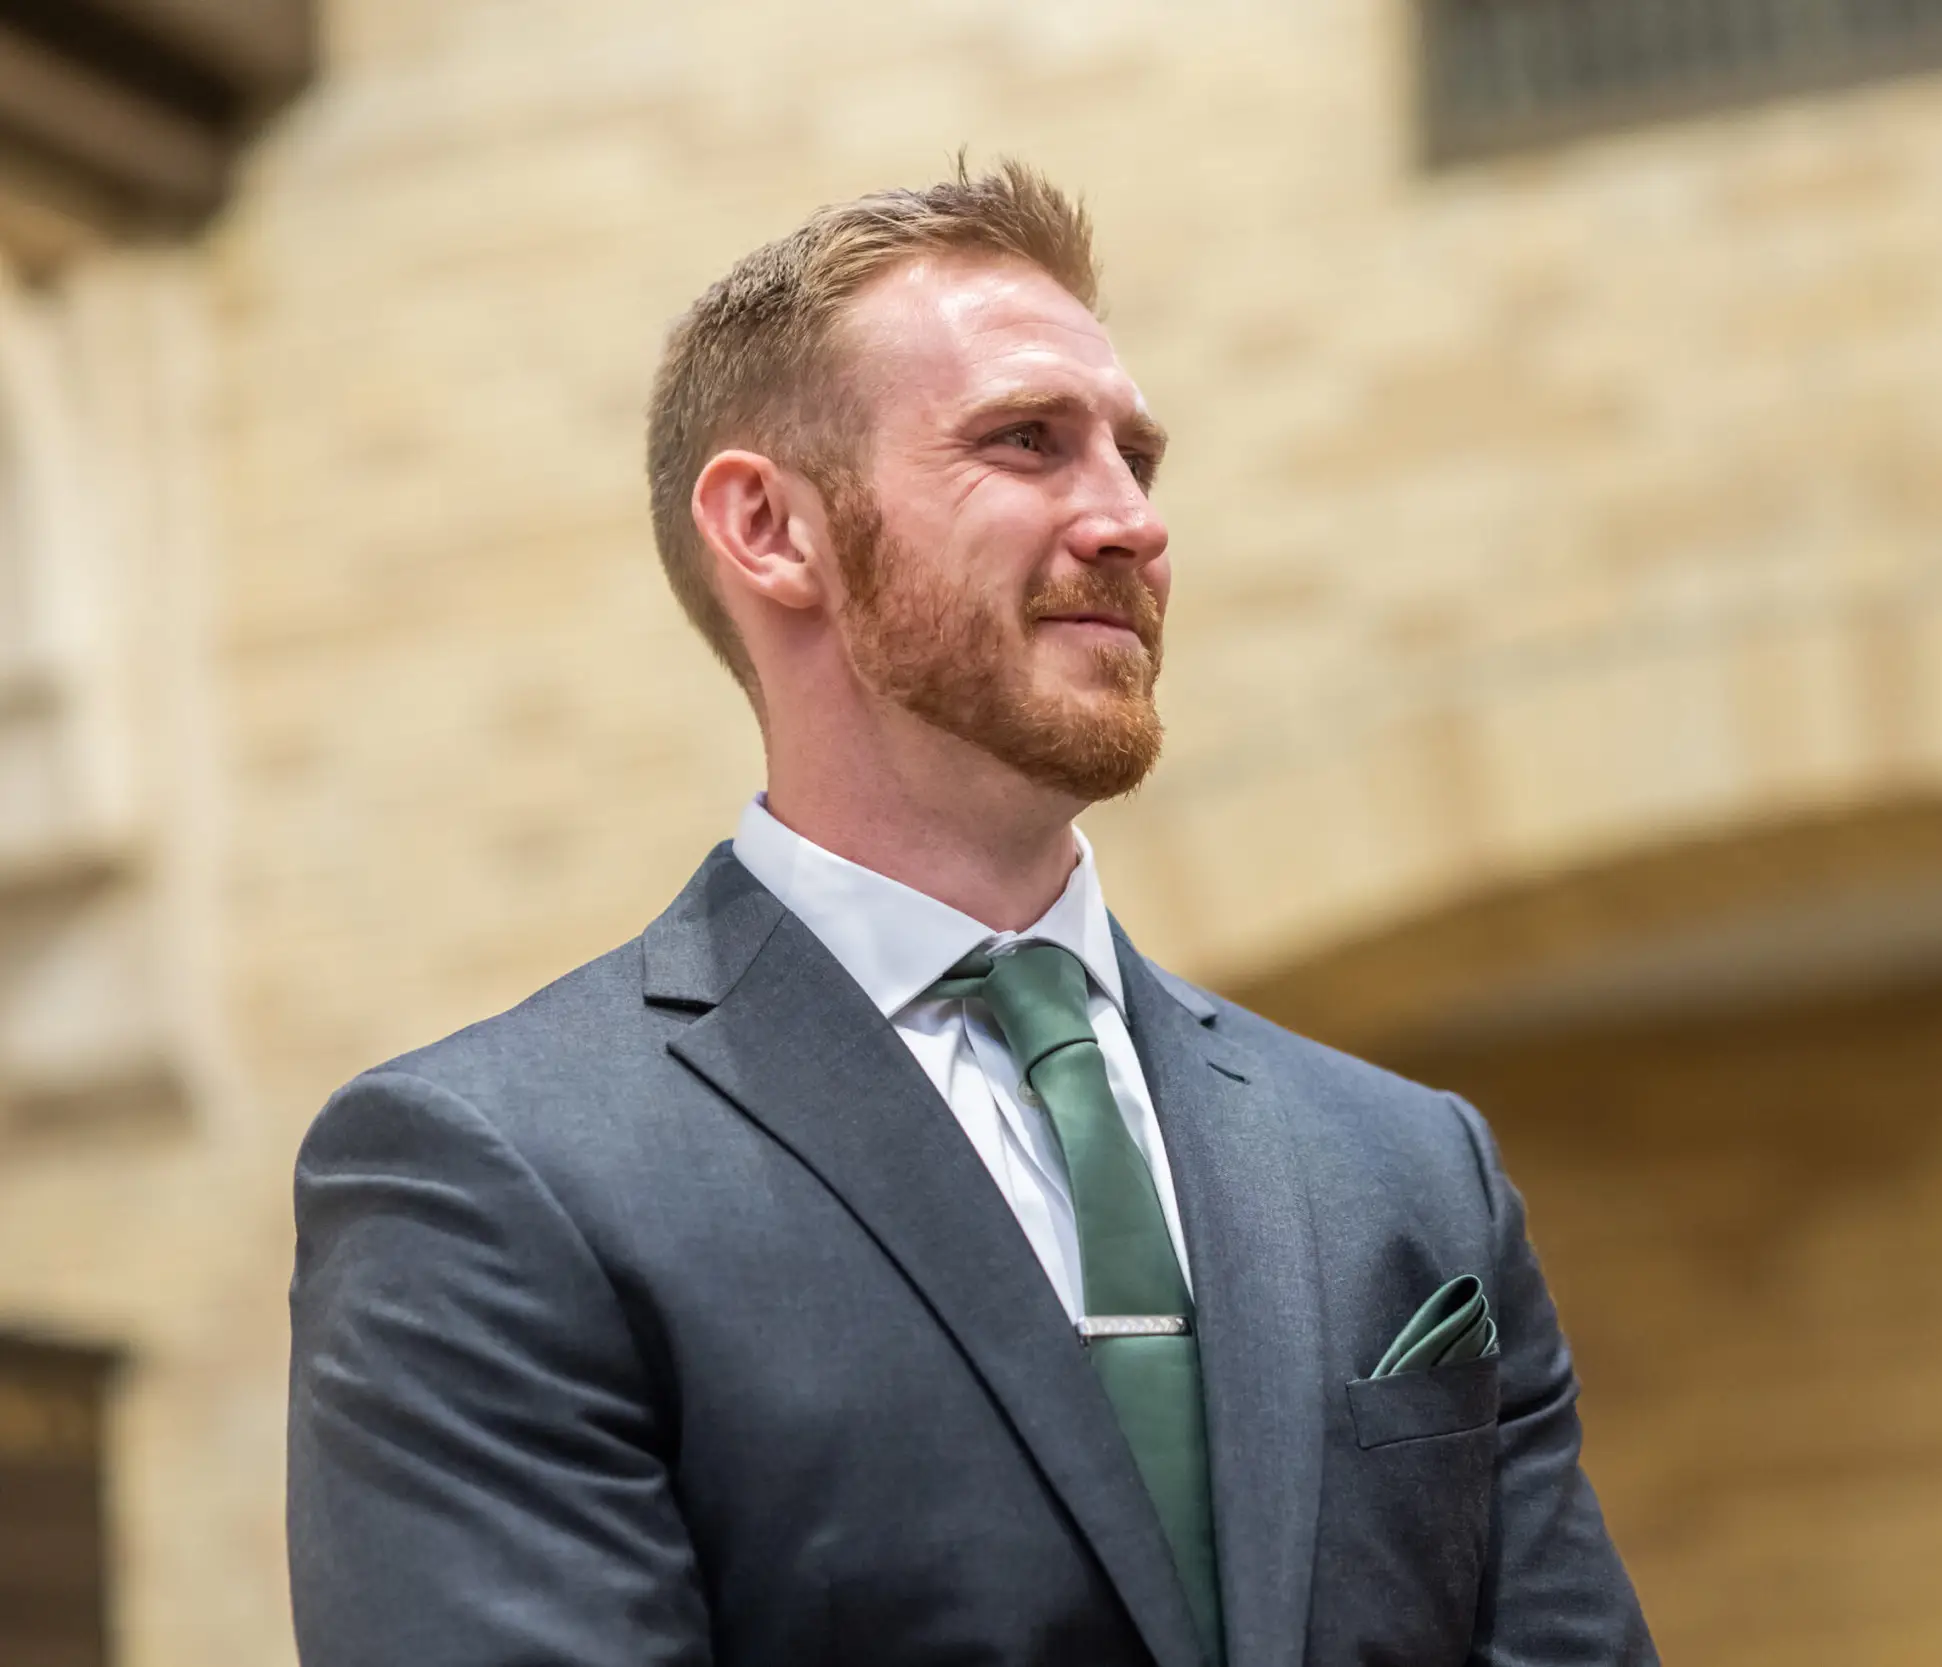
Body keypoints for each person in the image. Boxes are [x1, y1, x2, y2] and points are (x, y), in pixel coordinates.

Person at [287, 160, 1655, 1667]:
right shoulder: (494, 1177)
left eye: (1136, 457)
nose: (1131, 522)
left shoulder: (1404, 1167)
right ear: (771, 528)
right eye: (1027, 442)